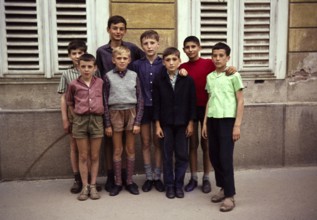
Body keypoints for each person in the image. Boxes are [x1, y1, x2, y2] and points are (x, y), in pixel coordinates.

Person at [180, 36, 236, 193]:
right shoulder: (182, 66)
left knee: (207, 145)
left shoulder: (209, 63)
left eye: (193, 46)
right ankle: (193, 177)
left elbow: (223, 68)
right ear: (184, 50)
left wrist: (233, 68)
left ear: (199, 47)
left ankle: (206, 178)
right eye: (187, 47)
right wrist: (180, 72)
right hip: (189, 110)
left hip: (208, 109)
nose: (190, 49)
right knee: (192, 144)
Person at [96, 15, 145, 192]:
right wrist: (106, 120)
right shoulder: (102, 52)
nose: (118, 31)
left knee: (130, 147)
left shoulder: (131, 49)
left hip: (130, 107)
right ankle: (114, 179)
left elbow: (145, 60)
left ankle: (128, 179)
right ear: (108, 29)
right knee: (113, 147)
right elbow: (98, 76)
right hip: (113, 105)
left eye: (121, 28)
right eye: (115, 28)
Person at [202, 42, 244, 212]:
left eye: (221, 56)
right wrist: (205, 123)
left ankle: (230, 196)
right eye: (214, 55)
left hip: (228, 120)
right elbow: (209, 100)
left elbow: (240, 101)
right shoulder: (210, 77)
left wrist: (237, 126)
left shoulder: (234, 75)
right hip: (212, 120)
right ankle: (223, 187)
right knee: (214, 156)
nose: (217, 58)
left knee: (225, 158)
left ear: (228, 57)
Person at [153, 47, 196, 199]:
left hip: (182, 124)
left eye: (174, 59)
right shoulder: (159, 80)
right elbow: (156, 104)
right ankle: (169, 185)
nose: (171, 63)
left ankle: (179, 185)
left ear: (180, 61)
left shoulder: (187, 80)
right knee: (167, 155)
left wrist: (190, 123)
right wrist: (157, 125)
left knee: (182, 155)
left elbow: (192, 103)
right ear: (163, 62)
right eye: (168, 60)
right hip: (166, 124)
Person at [103, 46, 144, 196]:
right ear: (113, 60)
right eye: (119, 58)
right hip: (115, 113)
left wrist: (138, 122)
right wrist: (107, 124)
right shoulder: (108, 76)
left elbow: (140, 99)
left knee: (130, 149)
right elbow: (104, 101)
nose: (122, 61)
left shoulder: (134, 75)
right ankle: (118, 182)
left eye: (125, 58)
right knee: (118, 150)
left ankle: (129, 181)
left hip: (131, 112)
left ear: (129, 60)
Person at [66, 53, 104, 201]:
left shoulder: (100, 82)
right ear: (78, 67)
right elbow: (69, 102)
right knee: (83, 155)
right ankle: (84, 186)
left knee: (94, 155)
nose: (86, 69)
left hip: (96, 120)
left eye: (89, 67)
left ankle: (93, 185)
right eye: (83, 66)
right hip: (80, 121)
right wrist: (74, 117)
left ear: (95, 68)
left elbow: (105, 100)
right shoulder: (73, 84)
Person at [131, 30, 165, 193]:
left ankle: (158, 176)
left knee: (158, 142)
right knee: (145, 142)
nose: (149, 46)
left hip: (160, 108)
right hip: (143, 108)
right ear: (142, 46)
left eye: (152, 43)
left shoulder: (164, 63)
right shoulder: (137, 65)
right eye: (145, 43)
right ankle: (149, 176)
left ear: (158, 44)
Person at [57, 40, 87, 194]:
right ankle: (77, 179)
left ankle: (88, 179)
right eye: (74, 53)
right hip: (73, 115)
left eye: (80, 53)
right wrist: (65, 119)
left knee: (88, 148)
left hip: (90, 115)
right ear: (69, 56)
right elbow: (63, 97)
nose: (77, 56)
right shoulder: (66, 74)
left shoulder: (92, 69)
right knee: (74, 146)